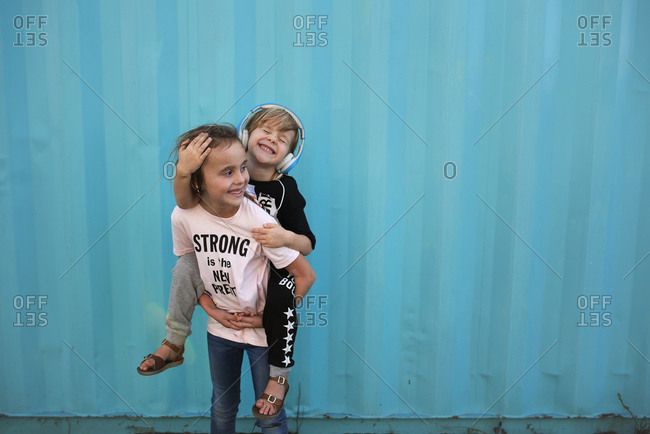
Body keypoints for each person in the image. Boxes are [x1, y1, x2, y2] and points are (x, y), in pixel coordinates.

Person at [138, 105, 315, 419]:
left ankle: (279, 377)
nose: (238, 179)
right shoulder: (220, 185)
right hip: (228, 276)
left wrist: (283, 238)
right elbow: (186, 202)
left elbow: (306, 248)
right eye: (266, 131)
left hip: (272, 262)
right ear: (245, 137)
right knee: (186, 267)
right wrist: (183, 170)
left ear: (289, 155)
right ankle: (174, 340)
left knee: (282, 295)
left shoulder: (283, 191)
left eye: (282, 138)